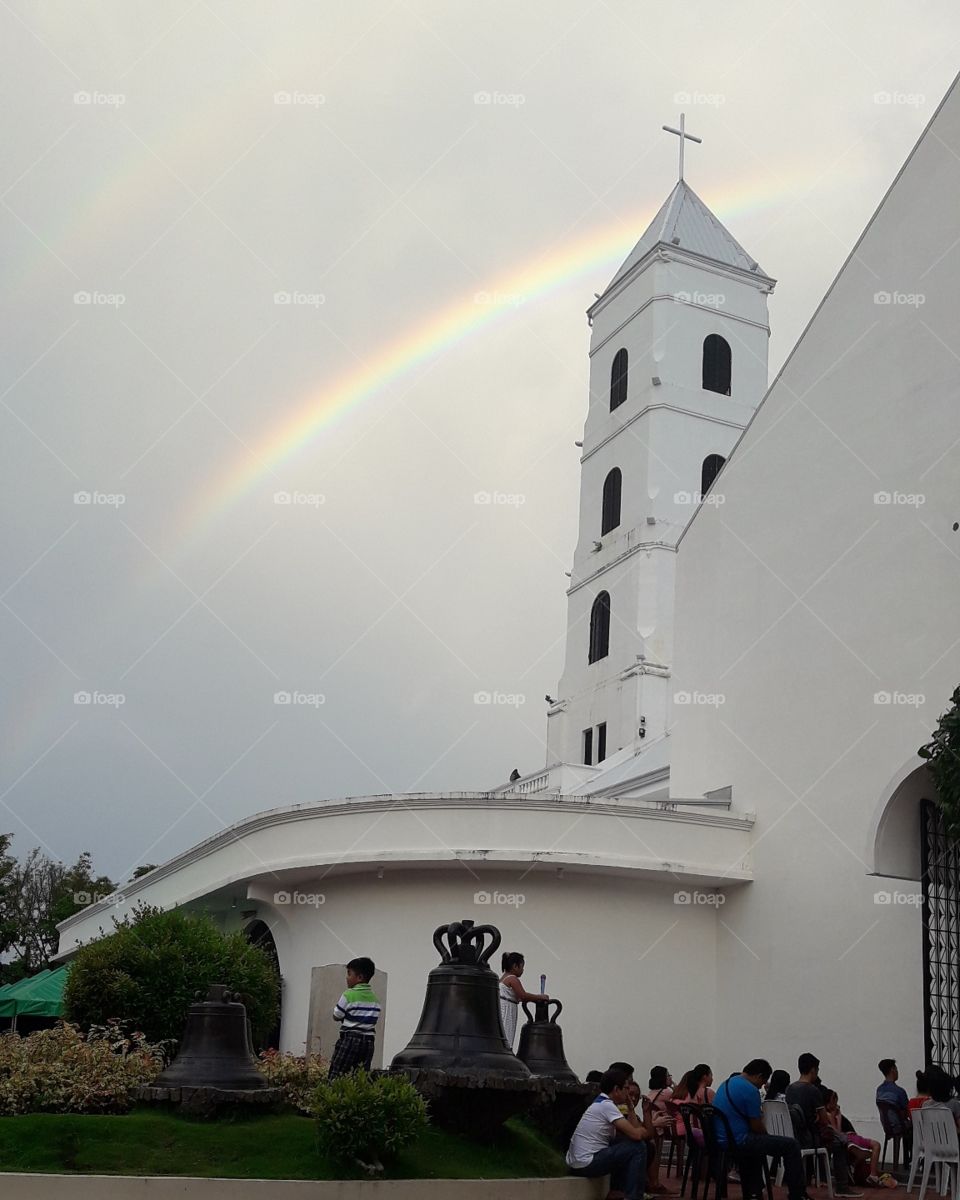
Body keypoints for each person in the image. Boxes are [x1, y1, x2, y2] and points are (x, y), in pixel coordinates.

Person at [712, 1058, 811, 1200]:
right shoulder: (750, 1090)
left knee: (758, 1146)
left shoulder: (726, 1084)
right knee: (792, 1145)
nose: (761, 1086)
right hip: (740, 1140)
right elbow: (756, 1126)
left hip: (722, 1139)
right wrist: (767, 1136)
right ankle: (798, 1194)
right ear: (759, 1076)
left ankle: (754, 1191)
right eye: (763, 1082)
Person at [566, 1067, 653, 1200]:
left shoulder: (602, 1102)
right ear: (616, 1090)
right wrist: (641, 1131)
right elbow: (636, 1134)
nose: (628, 1092)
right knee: (638, 1148)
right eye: (625, 1088)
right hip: (586, 1163)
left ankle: (617, 1191)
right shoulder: (607, 1106)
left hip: (577, 1162)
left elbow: (633, 1131)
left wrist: (630, 1108)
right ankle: (633, 1196)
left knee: (627, 1144)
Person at [786, 1052, 862, 1198]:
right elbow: (824, 1120)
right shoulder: (812, 1090)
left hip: (794, 1136)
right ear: (813, 1070)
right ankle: (842, 1186)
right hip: (810, 1138)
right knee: (840, 1142)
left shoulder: (790, 1089)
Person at [328, 956, 381, 1079]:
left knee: (338, 1073)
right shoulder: (375, 999)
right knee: (360, 1076)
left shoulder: (348, 994)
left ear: (359, 977)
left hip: (350, 1040)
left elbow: (337, 1015)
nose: (347, 977)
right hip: (368, 1042)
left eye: (349, 973)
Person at [825, 1089, 882, 1186]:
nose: (837, 1105)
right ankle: (872, 1174)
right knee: (875, 1145)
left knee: (874, 1146)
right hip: (848, 1136)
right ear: (830, 1102)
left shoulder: (832, 1114)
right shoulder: (830, 1115)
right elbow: (837, 1132)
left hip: (852, 1136)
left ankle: (865, 1170)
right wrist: (838, 1118)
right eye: (835, 1102)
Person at [498, 952, 547, 1047]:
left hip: (503, 1009)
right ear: (515, 966)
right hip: (507, 1011)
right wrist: (540, 997)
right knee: (506, 1039)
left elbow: (518, 997)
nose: (523, 970)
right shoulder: (512, 979)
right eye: (522, 966)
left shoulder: (503, 978)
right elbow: (523, 996)